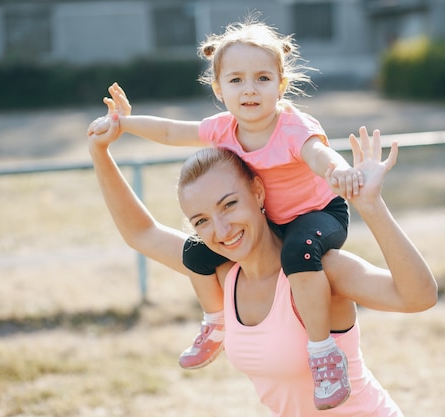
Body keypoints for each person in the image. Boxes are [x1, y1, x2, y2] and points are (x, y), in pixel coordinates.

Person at [87, 110, 438, 416]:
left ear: (257, 193)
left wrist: (371, 206)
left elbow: (418, 297)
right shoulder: (226, 276)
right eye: (201, 221)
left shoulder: (318, 272)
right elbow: (141, 233)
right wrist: (99, 151)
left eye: (229, 205)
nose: (221, 230)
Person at [90, 18, 364, 409]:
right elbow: (170, 132)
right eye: (236, 80)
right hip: (274, 217)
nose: (249, 89)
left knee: (298, 252)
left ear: (281, 84)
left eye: (262, 79)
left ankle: (322, 353)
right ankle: (216, 323)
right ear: (219, 89)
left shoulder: (291, 127)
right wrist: (123, 123)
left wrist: (339, 172)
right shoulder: (222, 129)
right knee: (198, 252)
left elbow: (318, 154)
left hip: (318, 213)